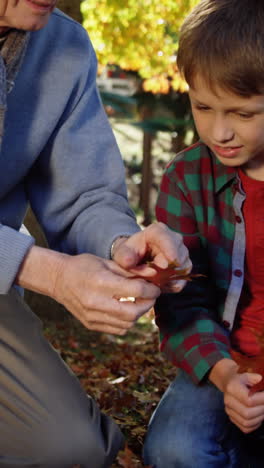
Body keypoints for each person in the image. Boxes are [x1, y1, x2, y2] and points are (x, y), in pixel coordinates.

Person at [0, 1, 192, 467]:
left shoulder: (63, 47)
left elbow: (84, 194)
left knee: (73, 451)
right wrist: (43, 271)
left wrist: (123, 246)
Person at [143, 0, 264, 467]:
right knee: (174, 451)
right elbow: (180, 300)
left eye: (243, 114)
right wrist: (226, 373)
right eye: (202, 106)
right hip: (223, 359)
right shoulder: (186, 177)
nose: (219, 132)